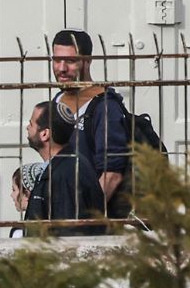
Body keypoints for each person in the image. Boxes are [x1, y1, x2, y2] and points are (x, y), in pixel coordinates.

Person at [49, 28, 134, 219]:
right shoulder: (58, 99)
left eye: (71, 61)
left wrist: (87, 220)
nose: (61, 68)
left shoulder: (105, 106)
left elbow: (112, 173)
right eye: (56, 60)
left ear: (87, 61)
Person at [24, 100, 108, 236]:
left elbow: (69, 234)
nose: (27, 127)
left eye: (31, 124)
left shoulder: (66, 174)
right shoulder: (64, 165)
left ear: (45, 134)